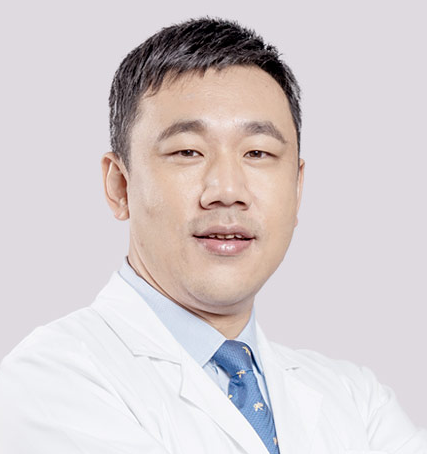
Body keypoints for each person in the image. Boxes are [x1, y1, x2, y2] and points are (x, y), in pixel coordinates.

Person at [0, 17, 425, 454]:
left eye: (258, 152)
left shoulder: (358, 399)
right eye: (188, 151)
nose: (227, 191)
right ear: (120, 186)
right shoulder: (46, 382)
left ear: (297, 189)